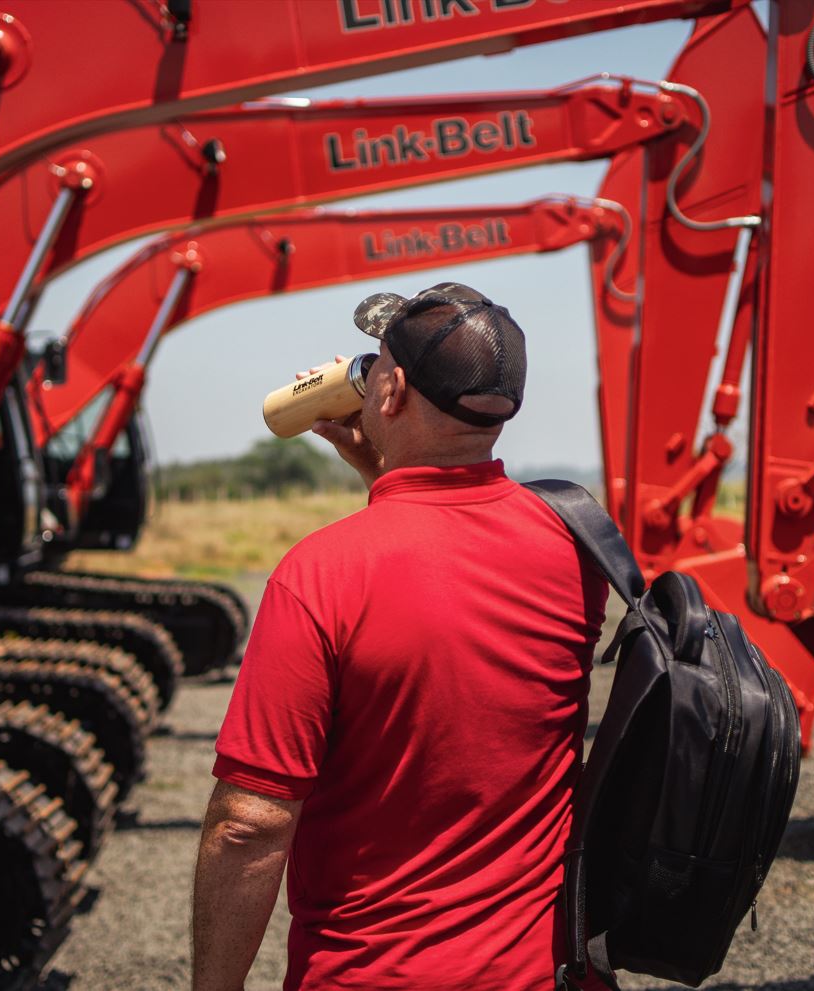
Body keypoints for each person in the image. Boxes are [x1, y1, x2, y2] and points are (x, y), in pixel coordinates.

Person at [191, 283, 609, 991]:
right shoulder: (575, 546)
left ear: (390, 393)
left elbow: (249, 825)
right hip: (540, 974)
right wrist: (388, 475)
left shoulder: (320, 574)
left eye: (376, 364)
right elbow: (449, 589)